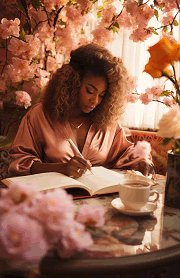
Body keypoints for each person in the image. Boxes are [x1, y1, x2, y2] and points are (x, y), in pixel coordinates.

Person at [8, 43, 154, 179]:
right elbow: (20, 163)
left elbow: (126, 153)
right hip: (51, 199)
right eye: (90, 91)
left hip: (96, 199)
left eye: (102, 95)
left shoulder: (106, 122)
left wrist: (142, 162)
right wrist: (61, 168)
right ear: (72, 83)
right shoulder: (40, 115)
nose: (95, 101)